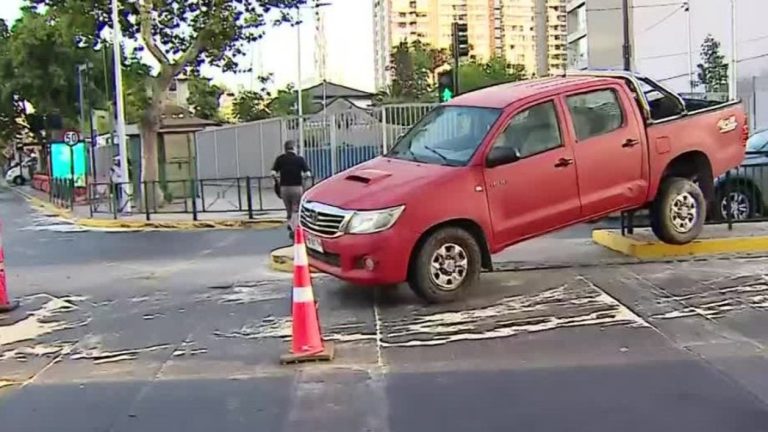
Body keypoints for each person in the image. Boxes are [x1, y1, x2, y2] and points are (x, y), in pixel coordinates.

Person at [271, 140, 311, 239]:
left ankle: (290, 224)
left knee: (288, 209)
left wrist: (277, 180)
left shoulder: (280, 159)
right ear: (294, 148)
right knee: (296, 208)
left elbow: (273, 173)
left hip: (284, 188)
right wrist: (304, 180)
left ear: (285, 149)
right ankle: (294, 229)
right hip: (297, 187)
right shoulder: (300, 159)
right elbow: (308, 174)